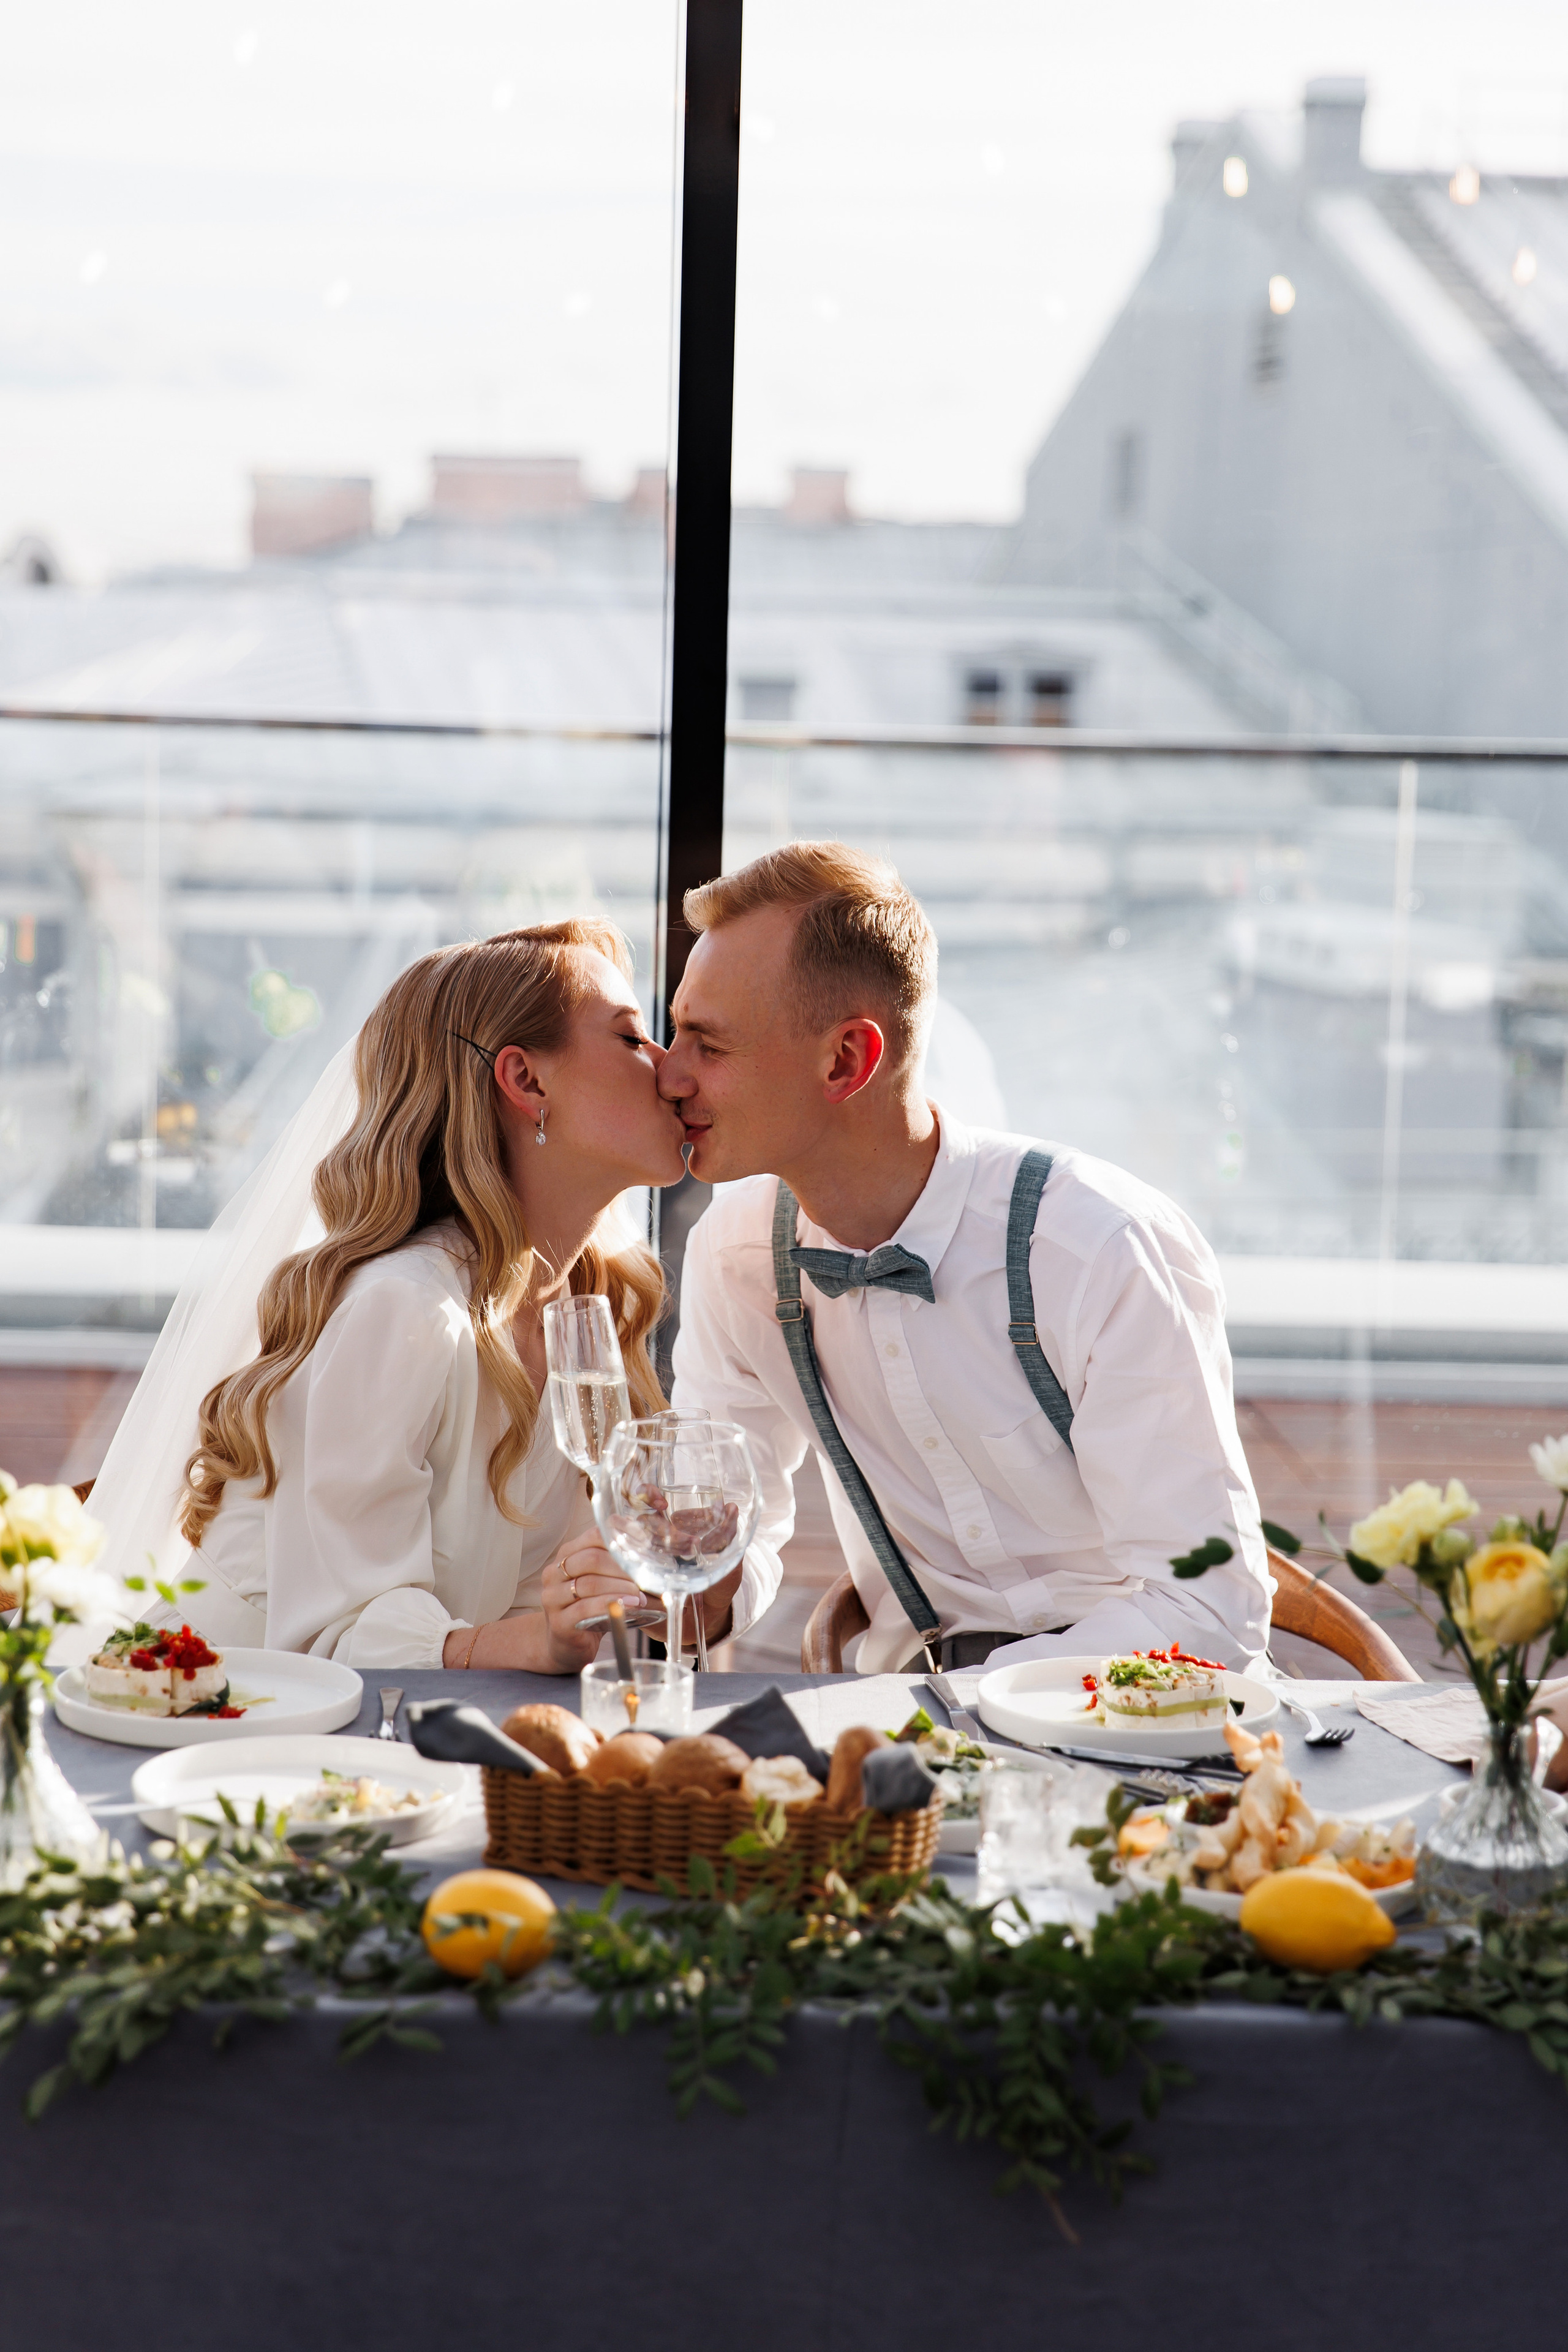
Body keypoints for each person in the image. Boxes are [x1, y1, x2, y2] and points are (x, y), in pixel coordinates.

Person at [660, 842, 1272, 1675]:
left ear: (846, 1060)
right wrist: (677, 1581)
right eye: (673, 1034)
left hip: (1138, 1731)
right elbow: (733, 1539)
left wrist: (977, 1702)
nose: (668, 1075)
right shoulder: (736, 1258)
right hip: (910, 1752)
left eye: (708, 1045)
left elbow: (1208, 1608)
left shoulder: (1099, 1249)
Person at [96, 921, 668, 1672]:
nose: (671, 1067)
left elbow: (541, 1594)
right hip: (222, 1719)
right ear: (526, 1082)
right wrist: (541, 1641)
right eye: (631, 1039)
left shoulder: (578, 1312)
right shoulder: (403, 1309)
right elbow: (336, 1641)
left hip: (415, 1745)